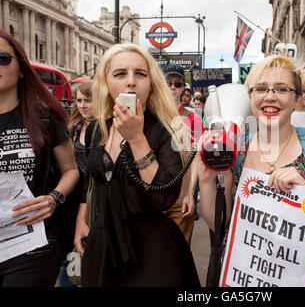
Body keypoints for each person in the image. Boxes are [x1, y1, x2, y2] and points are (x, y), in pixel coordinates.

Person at [198, 54, 305, 285]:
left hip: (292, 276)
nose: (270, 97)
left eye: (281, 89)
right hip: (241, 276)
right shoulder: (238, 146)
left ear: (296, 98)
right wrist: (206, 179)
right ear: (251, 97)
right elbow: (219, 223)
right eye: (261, 88)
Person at [73, 43, 200, 286]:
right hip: (103, 246)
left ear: (151, 83)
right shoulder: (98, 129)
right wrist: (82, 220)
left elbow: (163, 197)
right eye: (120, 74)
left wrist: (136, 139)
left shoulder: (166, 130)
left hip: (149, 252)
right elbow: (91, 179)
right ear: (106, 82)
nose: (131, 81)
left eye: (140, 74)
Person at [0, 30, 79, 286]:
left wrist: (53, 199)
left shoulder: (45, 117)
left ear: (22, 68)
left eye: (2, 58)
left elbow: (71, 170)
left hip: (32, 244)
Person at [57, 80, 95, 287]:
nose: (82, 105)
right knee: (69, 254)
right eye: (79, 100)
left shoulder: (107, 129)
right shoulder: (72, 128)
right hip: (71, 199)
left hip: (94, 199)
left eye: (88, 100)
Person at [163, 64, 204, 245]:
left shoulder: (193, 118)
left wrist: (189, 193)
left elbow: (195, 158)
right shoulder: (151, 115)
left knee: (180, 251)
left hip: (180, 195)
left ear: (183, 88)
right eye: (168, 83)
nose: (172, 87)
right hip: (154, 194)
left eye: (178, 84)